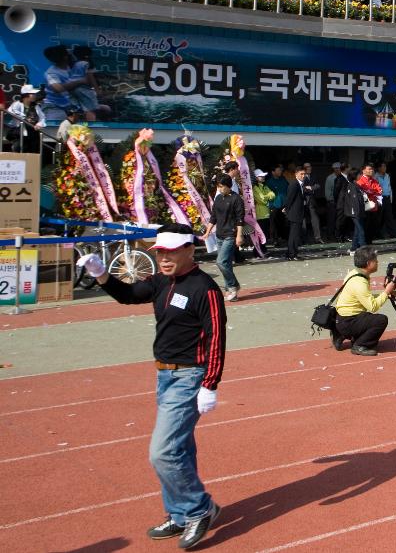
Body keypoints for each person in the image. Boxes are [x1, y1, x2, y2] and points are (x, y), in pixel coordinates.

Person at [75, 224, 227, 548]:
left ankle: (200, 509)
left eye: (171, 251)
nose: (164, 257)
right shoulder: (160, 281)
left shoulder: (206, 289)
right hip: (164, 376)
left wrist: (210, 384)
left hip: (190, 377)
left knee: (163, 452)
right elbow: (129, 296)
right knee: (180, 449)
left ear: (189, 249)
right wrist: (101, 274)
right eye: (160, 251)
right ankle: (179, 512)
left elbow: (216, 339)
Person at [332, 245, 396, 355]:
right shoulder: (359, 282)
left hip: (342, 317)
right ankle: (360, 345)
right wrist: (386, 292)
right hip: (348, 321)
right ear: (368, 264)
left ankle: (341, 333)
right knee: (380, 320)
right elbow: (373, 306)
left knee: (367, 318)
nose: (377, 262)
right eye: (375, 260)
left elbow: (364, 297)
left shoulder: (355, 273)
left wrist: (386, 294)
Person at [208, 175, 244, 300]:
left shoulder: (236, 199)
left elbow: (240, 219)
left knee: (221, 262)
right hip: (219, 234)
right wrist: (207, 232)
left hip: (231, 234)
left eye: (222, 186)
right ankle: (231, 291)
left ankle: (233, 286)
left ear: (228, 186)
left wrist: (239, 236)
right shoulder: (218, 198)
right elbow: (213, 217)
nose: (219, 189)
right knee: (226, 264)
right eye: (218, 186)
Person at [283, 166, 306, 261]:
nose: (303, 176)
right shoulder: (294, 184)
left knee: (294, 235)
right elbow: (289, 198)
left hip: (298, 213)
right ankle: (292, 254)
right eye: (301, 174)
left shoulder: (300, 184)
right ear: (296, 174)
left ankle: (291, 253)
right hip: (294, 213)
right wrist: (286, 209)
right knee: (294, 235)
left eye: (304, 174)